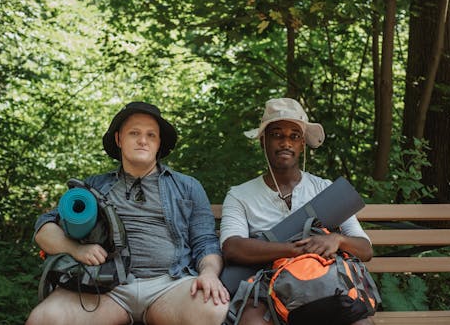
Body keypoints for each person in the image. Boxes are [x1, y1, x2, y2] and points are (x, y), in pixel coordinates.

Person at [26, 101, 229, 325]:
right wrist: (77, 249)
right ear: (118, 139)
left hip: (170, 285)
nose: (143, 140)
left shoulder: (187, 187)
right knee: (44, 318)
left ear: (159, 143)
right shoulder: (95, 187)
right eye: (134, 133)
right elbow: (44, 228)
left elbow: (206, 242)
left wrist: (209, 273)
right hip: (107, 289)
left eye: (151, 135)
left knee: (211, 309)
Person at [219, 98, 374, 325]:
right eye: (277, 135)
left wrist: (337, 240)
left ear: (303, 144)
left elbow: (366, 249)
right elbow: (232, 247)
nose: (286, 142)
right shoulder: (240, 195)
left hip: (325, 284)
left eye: (294, 136)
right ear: (263, 141)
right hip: (267, 287)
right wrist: (294, 250)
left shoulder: (326, 189)